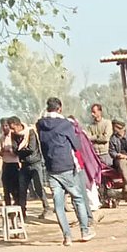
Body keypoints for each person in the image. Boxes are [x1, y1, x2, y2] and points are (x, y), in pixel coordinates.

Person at [35, 97, 93, 244]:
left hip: (50, 168)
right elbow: (76, 145)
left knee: (58, 205)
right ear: (60, 108)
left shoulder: (40, 124)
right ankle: (85, 231)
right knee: (78, 198)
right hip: (66, 165)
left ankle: (67, 236)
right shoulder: (65, 124)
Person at [11, 117, 49, 218]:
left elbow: (32, 148)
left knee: (38, 187)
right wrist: (22, 151)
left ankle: (46, 207)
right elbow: (15, 149)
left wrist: (20, 151)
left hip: (35, 163)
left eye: (13, 128)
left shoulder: (30, 132)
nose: (12, 131)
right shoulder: (13, 135)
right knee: (22, 189)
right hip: (24, 165)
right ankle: (22, 211)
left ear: (18, 125)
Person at [0, 119, 22, 214]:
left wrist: (10, 150)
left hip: (14, 164)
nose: (4, 128)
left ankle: (18, 208)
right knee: (6, 188)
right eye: (3, 126)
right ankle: (8, 209)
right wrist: (1, 152)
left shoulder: (14, 136)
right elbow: (2, 152)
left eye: (6, 126)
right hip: (6, 164)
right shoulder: (1, 138)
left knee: (15, 188)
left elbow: (18, 152)